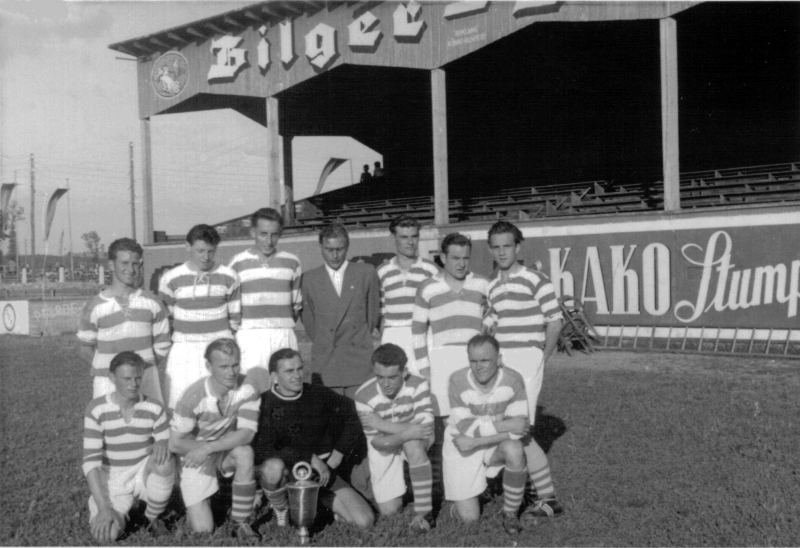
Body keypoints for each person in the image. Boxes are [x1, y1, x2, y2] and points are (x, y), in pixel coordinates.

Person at [487, 220, 565, 522]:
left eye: (507, 246)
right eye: (496, 247)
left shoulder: (537, 279)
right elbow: (492, 322)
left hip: (527, 360)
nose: (502, 252)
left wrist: (540, 357)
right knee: (512, 428)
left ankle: (544, 498)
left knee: (518, 430)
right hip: (503, 363)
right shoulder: (492, 285)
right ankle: (539, 494)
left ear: (518, 247)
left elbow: (555, 321)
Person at [253, 349, 375, 529]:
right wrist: (308, 457)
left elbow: (354, 416)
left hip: (323, 474)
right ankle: (282, 506)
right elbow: (264, 445)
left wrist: (338, 454)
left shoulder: (318, 394)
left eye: (299, 369)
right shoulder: (264, 403)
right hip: (288, 473)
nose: (297, 375)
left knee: (364, 521)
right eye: (289, 371)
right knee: (272, 468)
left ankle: (318, 504)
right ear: (274, 376)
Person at [169, 338, 260, 539]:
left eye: (235, 365)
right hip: (194, 455)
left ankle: (241, 522)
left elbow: (247, 433)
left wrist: (209, 447)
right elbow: (175, 443)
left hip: (218, 449)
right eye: (224, 366)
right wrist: (204, 449)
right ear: (208, 366)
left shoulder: (248, 387)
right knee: (203, 530)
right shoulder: (193, 396)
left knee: (245, 452)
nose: (231, 372)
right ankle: (208, 499)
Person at [82, 351, 175, 543]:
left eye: (138, 377)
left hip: (142, 471)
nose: (133, 384)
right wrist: (103, 508)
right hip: (112, 477)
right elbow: (90, 463)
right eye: (126, 378)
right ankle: (119, 509)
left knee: (165, 459)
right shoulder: (96, 409)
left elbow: (165, 442)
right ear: (112, 377)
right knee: (107, 536)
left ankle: (151, 517)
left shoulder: (154, 407)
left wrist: (162, 441)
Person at [443, 335, 530, 534]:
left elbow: (519, 431)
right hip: (460, 444)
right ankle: (469, 493)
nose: (478, 366)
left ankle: (511, 513)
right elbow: (466, 427)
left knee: (515, 449)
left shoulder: (513, 379)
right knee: (469, 519)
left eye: (485, 360)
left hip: (475, 443)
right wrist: (505, 425)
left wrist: (476, 441)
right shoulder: (457, 380)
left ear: (498, 359)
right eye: (473, 361)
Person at [354, 343, 435, 534]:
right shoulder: (363, 395)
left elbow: (425, 428)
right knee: (389, 510)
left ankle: (424, 513)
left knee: (412, 443)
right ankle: (413, 480)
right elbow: (377, 442)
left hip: (414, 439)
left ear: (404, 372)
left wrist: (383, 425)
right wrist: (406, 431)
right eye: (379, 377)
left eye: (392, 377)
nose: (385, 384)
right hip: (386, 444)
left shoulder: (418, 383)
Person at [78, 238, 170, 403]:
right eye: (125, 263)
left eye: (135, 264)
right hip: (107, 383)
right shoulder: (94, 306)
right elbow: (85, 348)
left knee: (148, 424)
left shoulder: (153, 303)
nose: (131, 269)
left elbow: (162, 346)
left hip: (144, 381)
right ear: (112, 265)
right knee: (110, 426)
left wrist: (140, 372)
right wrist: (114, 374)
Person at [159, 224, 241, 409]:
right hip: (185, 350)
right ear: (187, 247)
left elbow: (235, 317)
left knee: (220, 405)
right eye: (200, 251)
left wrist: (220, 343)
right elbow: (167, 317)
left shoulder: (229, 276)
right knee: (180, 404)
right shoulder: (171, 278)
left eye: (211, 251)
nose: (205, 257)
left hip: (218, 349)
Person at [411, 232, 490, 417]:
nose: (461, 264)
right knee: (444, 420)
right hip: (441, 360)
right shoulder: (428, 287)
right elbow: (417, 332)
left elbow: (499, 310)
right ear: (443, 258)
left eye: (465, 258)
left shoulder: (482, 283)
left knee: (475, 415)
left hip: (473, 359)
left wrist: (485, 326)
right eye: (455, 258)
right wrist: (425, 370)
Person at [300, 222, 380, 396]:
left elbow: (372, 315)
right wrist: (327, 341)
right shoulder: (309, 279)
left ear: (347, 247)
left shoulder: (366, 272)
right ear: (321, 247)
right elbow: (310, 322)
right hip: (326, 361)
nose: (335, 255)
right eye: (329, 250)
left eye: (340, 249)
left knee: (360, 417)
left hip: (359, 358)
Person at [228, 208, 302, 376]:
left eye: (274, 235)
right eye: (263, 234)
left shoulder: (292, 261)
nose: (269, 241)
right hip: (250, 336)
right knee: (251, 391)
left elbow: (296, 305)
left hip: (283, 334)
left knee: (286, 391)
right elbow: (233, 308)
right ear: (252, 231)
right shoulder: (237, 262)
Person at [377, 216, 439, 377]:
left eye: (414, 236)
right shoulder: (382, 271)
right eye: (404, 237)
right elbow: (381, 313)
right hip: (393, 335)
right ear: (393, 238)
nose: (410, 242)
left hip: (423, 335)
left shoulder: (431, 269)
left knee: (424, 386)